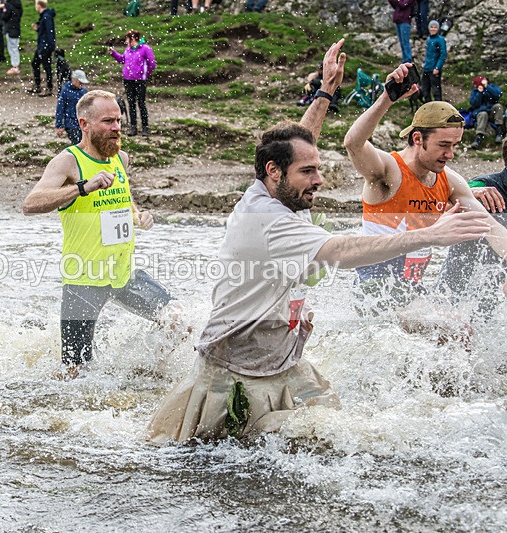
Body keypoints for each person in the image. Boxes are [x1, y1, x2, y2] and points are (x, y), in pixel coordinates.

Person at [147, 40, 493, 443]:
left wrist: (326, 91)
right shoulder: (271, 220)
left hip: (283, 361)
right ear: (275, 172)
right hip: (235, 372)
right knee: (213, 460)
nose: (320, 180)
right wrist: (432, 234)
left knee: (329, 436)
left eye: (317, 169)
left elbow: (299, 140)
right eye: (309, 172)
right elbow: (343, 252)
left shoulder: (270, 187)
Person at [23, 90, 181, 378]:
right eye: (108, 121)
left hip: (123, 273)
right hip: (84, 276)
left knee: (177, 321)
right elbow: (31, 204)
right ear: (84, 124)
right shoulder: (68, 161)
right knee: (74, 371)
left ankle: (146, 376)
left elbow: (123, 198)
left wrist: (137, 215)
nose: (117, 128)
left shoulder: (121, 158)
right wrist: (82, 187)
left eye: (118, 121)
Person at [344, 65, 507, 316]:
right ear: (418, 138)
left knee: (463, 328)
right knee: (446, 326)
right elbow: (353, 143)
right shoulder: (389, 171)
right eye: (443, 145)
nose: (450, 154)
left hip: (412, 291)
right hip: (376, 288)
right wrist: (386, 99)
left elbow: (489, 226)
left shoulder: (449, 180)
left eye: (455, 145)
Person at [438, 139, 507, 319]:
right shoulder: (484, 186)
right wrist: (469, 192)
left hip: (492, 290)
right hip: (457, 288)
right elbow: (451, 198)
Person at [109, 30, 156, 137]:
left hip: (140, 80)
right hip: (127, 80)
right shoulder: (128, 49)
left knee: (141, 103)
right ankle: (133, 127)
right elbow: (122, 60)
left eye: (127, 38)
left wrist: (145, 74)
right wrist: (113, 53)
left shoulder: (145, 49)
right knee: (131, 104)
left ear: (133, 38)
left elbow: (152, 63)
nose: (126, 41)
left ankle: (145, 127)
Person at [469, 75, 503, 150]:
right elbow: (474, 104)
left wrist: (487, 87)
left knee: (498, 106)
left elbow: (497, 95)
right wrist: (479, 93)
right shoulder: (475, 91)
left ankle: (499, 131)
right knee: (483, 114)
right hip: (481, 113)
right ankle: (478, 138)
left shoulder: (492, 87)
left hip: (492, 112)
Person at [55, 69, 88, 145]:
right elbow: (60, 109)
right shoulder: (65, 91)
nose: (81, 84)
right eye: (80, 82)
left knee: (84, 143)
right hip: (71, 124)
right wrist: (59, 125)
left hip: (82, 123)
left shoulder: (83, 91)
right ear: (74, 80)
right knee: (77, 143)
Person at [29, 0, 55, 96]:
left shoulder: (46, 17)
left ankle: (49, 88)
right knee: (35, 63)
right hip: (42, 45)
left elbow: (50, 32)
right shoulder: (44, 16)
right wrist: (38, 29)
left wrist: (50, 46)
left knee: (46, 66)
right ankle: (38, 85)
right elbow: (45, 31)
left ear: (39, 6)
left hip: (45, 46)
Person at [421, 20, 447, 103]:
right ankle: (428, 107)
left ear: (438, 28)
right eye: (431, 27)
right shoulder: (428, 39)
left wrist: (437, 67)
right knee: (425, 90)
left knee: (436, 90)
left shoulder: (440, 40)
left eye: (435, 27)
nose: (433, 29)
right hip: (426, 68)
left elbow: (443, 55)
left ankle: (439, 108)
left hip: (434, 69)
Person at [389, 0, 414, 64]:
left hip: (405, 21)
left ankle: (408, 60)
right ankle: (404, 60)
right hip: (398, 21)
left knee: (405, 42)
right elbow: (395, 5)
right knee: (402, 42)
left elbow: (402, 5)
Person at [3, 0, 23, 75]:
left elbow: (4, 17)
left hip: (10, 28)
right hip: (16, 27)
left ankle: (15, 66)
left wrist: (1, 9)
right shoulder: (18, 4)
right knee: (14, 46)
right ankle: (15, 65)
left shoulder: (8, 5)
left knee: (12, 47)